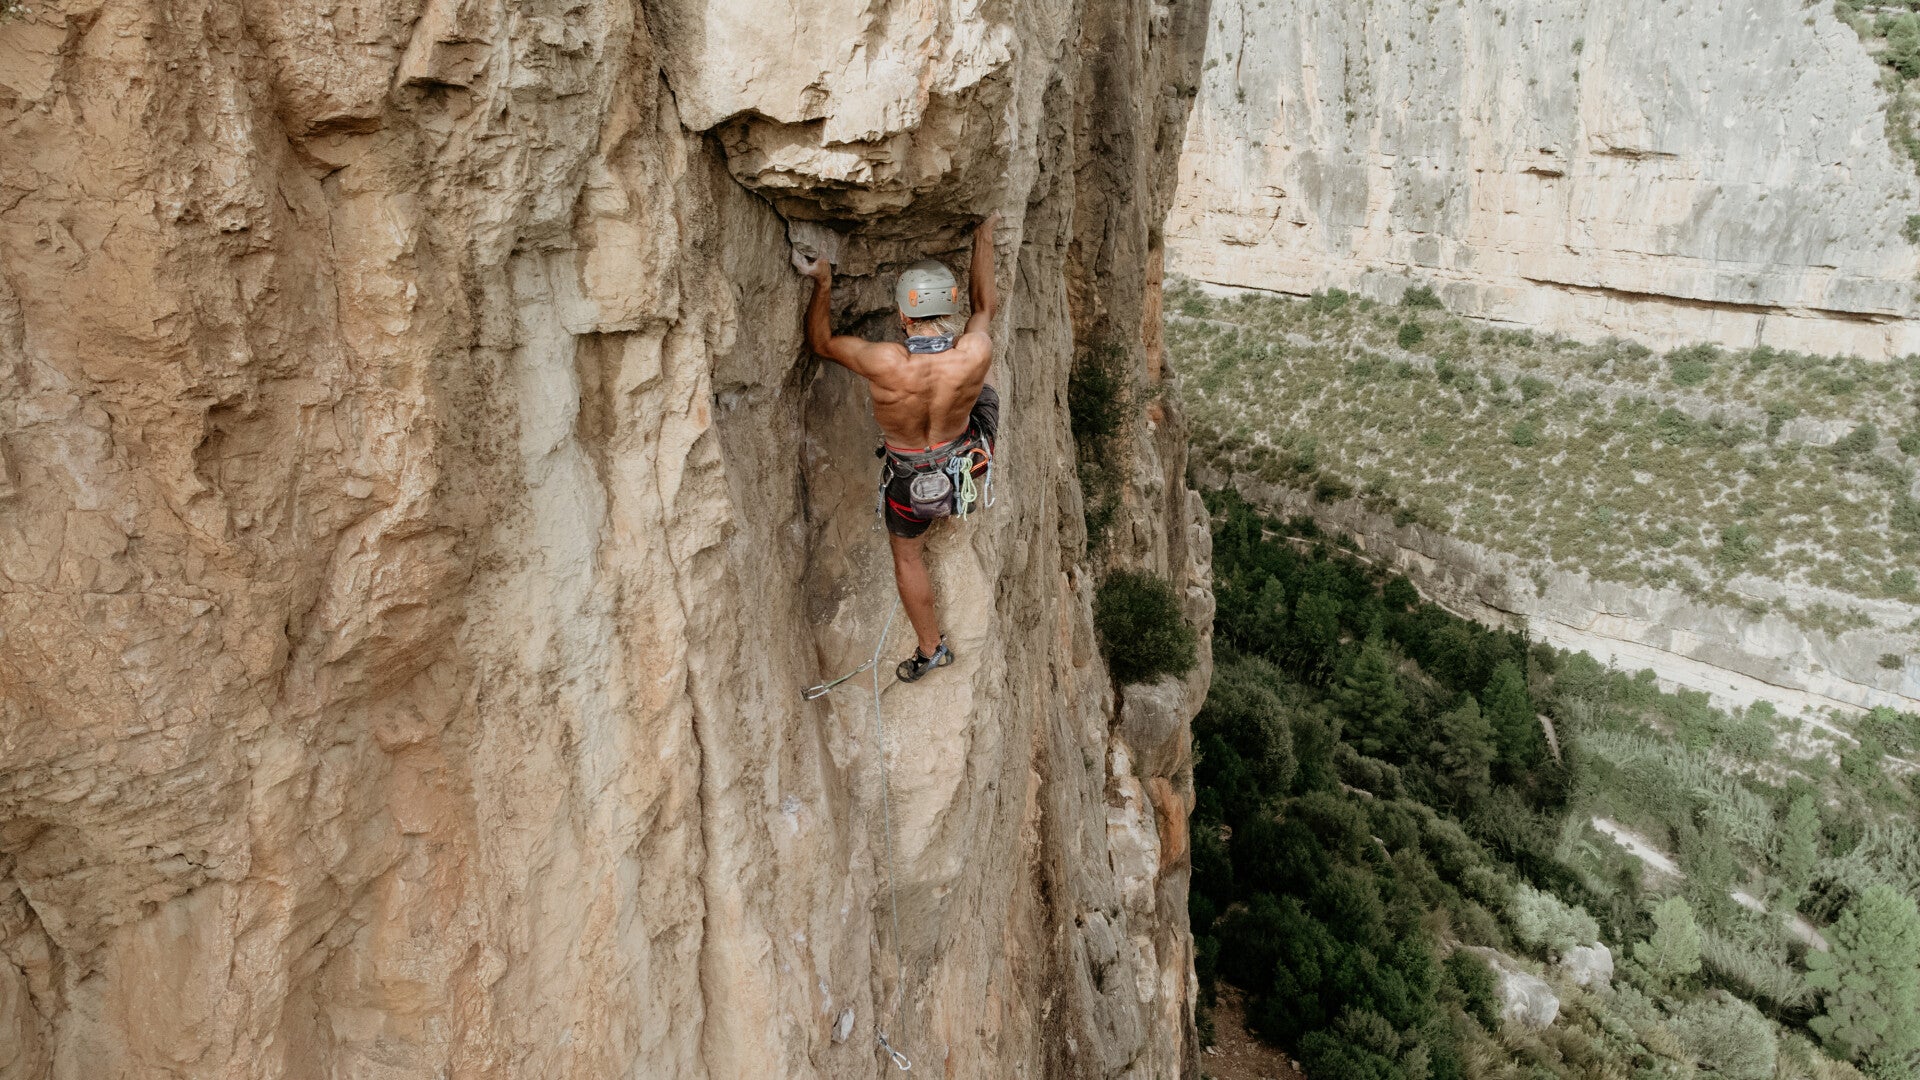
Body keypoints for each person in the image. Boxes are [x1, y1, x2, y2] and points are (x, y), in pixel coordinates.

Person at [791, 213, 1000, 682]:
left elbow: (821, 343)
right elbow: (986, 304)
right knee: (984, 394)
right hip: (963, 458)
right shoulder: (974, 351)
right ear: (949, 308)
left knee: (908, 556)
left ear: (904, 314)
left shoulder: (884, 362)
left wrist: (823, 281)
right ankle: (967, 473)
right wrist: (983, 236)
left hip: (908, 480)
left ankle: (931, 648)